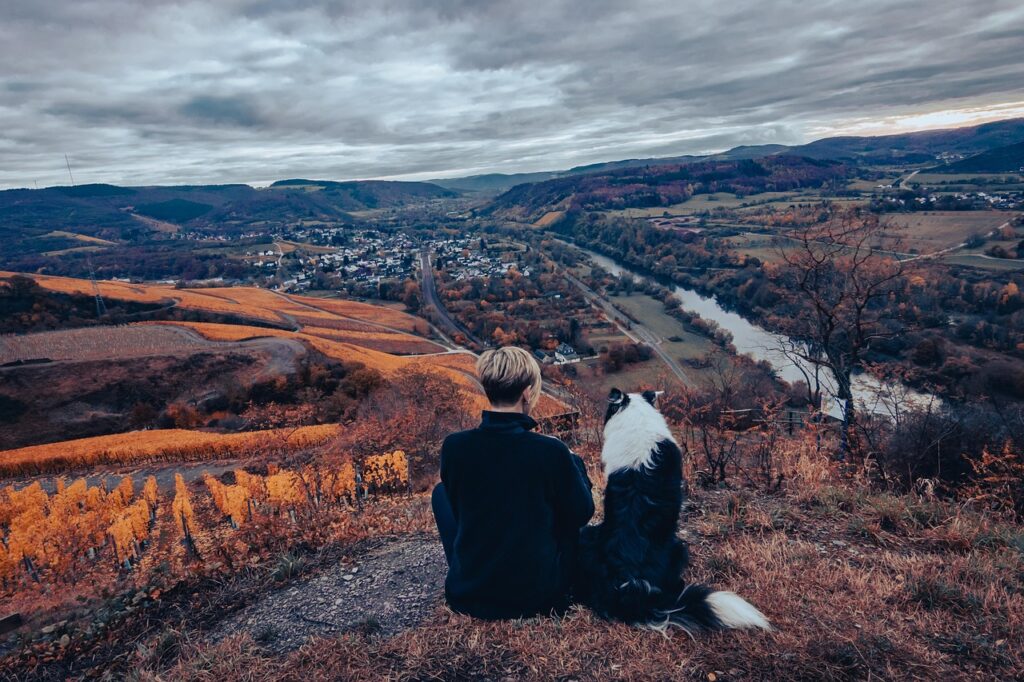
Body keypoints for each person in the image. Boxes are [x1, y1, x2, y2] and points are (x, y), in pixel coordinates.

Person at [432, 346, 594, 619]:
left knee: (441, 493)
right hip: (539, 596)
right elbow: (582, 514)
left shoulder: (454, 446)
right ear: (527, 393)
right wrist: (573, 462)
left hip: (469, 595)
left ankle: (473, 569)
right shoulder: (550, 451)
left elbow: (464, 508)